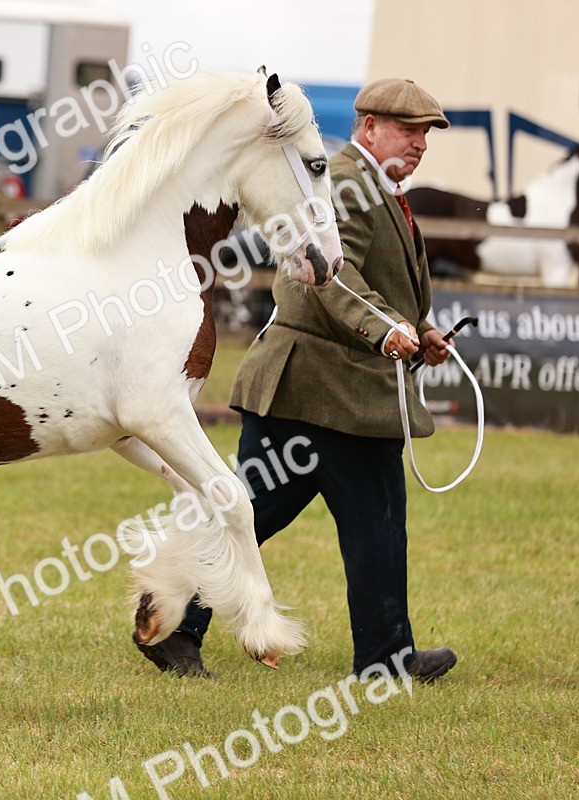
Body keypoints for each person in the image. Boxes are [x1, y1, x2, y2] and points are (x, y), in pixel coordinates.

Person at [137, 78, 459, 682]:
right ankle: (384, 660)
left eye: (426, 134)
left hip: (324, 392)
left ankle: (175, 619)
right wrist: (384, 330)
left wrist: (419, 329)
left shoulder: (377, 187)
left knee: (273, 515)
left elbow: (377, 282)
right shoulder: (344, 183)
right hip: (322, 389)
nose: (420, 143)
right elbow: (331, 277)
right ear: (369, 127)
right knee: (357, 524)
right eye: (408, 130)